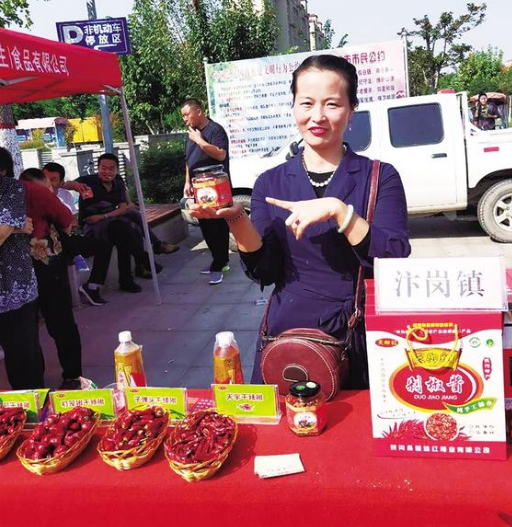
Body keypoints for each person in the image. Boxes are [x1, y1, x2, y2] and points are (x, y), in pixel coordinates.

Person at [190, 55, 411, 388]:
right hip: (289, 333)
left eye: (332, 104)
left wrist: (341, 212)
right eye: (306, 103)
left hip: (358, 336)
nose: (317, 116)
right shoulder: (270, 182)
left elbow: (393, 256)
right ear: (293, 106)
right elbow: (266, 271)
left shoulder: (379, 176)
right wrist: (235, 218)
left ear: (351, 109)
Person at [19, 168, 85, 390]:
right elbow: (66, 220)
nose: (50, 189)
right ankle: (72, 376)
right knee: (61, 322)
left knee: (26, 329)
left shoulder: (11, 191)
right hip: (47, 265)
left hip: (16, 271)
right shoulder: (34, 191)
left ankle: (34, 384)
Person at [65, 153, 154, 293]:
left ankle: (129, 276)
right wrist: (75, 185)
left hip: (109, 223)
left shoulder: (117, 183)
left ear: (117, 170)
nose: (107, 172)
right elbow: (64, 184)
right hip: (91, 226)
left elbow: (122, 208)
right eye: (103, 168)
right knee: (123, 229)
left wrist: (103, 216)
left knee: (125, 231)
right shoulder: (88, 180)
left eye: (111, 168)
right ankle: (140, 262)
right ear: (98, 168)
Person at [0, 149, 45, 389]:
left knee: (23, 354)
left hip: (14, 287)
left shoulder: (11, 188)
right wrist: (15, 227)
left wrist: (10, 229)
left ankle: (33, 403)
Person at [43, 162, 116, 306]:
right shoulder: (34, 196)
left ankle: (92, 286)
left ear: (61, 182)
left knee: (104, 245)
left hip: (67, 238)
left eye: (53, 179)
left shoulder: (65, 196)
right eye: (45, 178)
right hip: (46, 242)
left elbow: (73, 222)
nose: (48, 183)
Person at [181, 98, 231, 285]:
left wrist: (200, 141)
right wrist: (187, 182)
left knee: (217, 223)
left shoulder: (215, 130)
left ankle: (220, 263)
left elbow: (220, 154)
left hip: (216, 186)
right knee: (204, 223)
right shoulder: (190, 133)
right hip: (198, 186)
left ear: (199, 111)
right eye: (183, 116)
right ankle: (217, 259)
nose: (185, 119)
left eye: (187, 114)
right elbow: (188, 160)